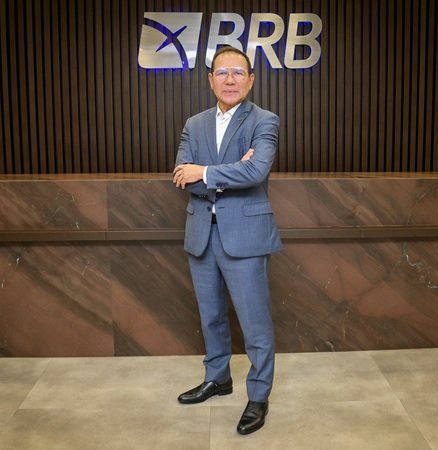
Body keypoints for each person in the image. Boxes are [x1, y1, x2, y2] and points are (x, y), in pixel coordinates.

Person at [172, 46, 282, 435]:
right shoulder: (194, 124)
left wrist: (204, 171)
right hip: (202, 233)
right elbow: (182, 176)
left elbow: (256, 171)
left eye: (238, 72)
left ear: (250, 80)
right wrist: (229, 170)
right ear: (210, 80)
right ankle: (217, 378)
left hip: (246, 236)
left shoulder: (264, 120)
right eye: (222, 73)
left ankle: (259, 395)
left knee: (255, 323)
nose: (230, 79)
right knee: (211, 315)